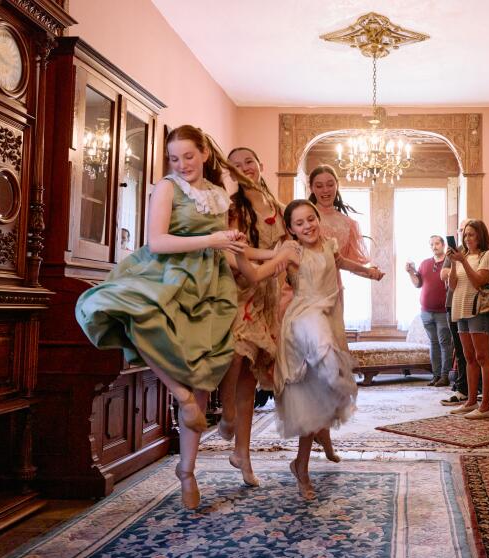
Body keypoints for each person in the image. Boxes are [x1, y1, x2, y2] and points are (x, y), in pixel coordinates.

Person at [75, 125, 248, 509]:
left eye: (189, 156)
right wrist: (213, 240)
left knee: (204, 369)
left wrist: (259, 256)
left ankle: (187, 471)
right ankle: (179, 393)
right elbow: (157, 241)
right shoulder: (166, 187)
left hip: (212, 283)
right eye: (174, 158)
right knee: (141, 318)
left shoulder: (219, 195)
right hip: (170, 274)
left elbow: (229, 250)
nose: (183, 164)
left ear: (204, 153)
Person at [238, 199, 383, 500]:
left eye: (310, 219)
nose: (307, 226)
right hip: (304, 319)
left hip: (329, 318)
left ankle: (301, 466)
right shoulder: (292, 251)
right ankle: (333, 374)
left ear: (318, 218)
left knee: (314, 402)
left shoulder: (329, 244)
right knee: (327, 363)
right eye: (299, 223)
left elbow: (342, 262)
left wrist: (368, 271)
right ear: (290, 229)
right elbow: (256, 275)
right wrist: (238, 253)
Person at [215, 146, 291, 487]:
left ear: (261, 164)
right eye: (236, 165)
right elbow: (230, 253)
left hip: (268, 298)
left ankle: (242, 456)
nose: (245, 167)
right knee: (234, 354)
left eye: (250, 160)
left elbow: (291, 253)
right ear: (230, 173)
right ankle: (226, 412)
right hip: (239, 291)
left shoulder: (279, 209)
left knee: (250, 376)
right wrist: (263, 264)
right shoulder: (231, 209)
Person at [447, 220, 489, 419]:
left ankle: (485, 406)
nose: (467, 238)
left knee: (482, 357)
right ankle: (471, 401)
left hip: (479, 310)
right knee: (468, 358)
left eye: (472, 234)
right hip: (460, 310)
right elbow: (452, 286)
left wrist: (462, 262)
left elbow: (478, 282)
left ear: (480, 236)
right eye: (465, 235)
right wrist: (454, 262)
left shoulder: (488, 255)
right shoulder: (463, 257)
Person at [406, 235, 453, 386]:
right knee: (433, 343)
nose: (434, 246)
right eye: (432, 244)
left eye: (437, 243)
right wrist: (410, 272)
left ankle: (445, 376)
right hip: (426, 312)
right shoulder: (425, 263)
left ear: (443, 245)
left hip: (443, 311)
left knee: (444, 344)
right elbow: (417, 284)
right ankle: (436, 375)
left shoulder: (451, 262)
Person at [439, 220, 470, 405]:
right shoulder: (454, 251)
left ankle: (468, 388)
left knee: (470, 352)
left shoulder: (483, 251)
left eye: (467, 231)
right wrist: (455, 266)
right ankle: (462, 387)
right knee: (459, 349)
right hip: (452, 303)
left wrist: (459, 266)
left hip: (470, 305)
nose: (463, 234)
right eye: (461, 231)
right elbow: (443, 274)